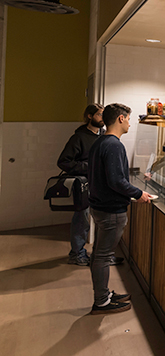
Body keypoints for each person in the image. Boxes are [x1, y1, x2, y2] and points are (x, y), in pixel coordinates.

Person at [88, 103, 153, 315]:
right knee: (103, 256)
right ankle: (101, 302)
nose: (130, 123)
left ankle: (104, 294)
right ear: (121, 119)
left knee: (100, 253)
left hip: (99, 207)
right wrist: (138, 194)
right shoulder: (114, 145)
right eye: (128, 119)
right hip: (111, 211)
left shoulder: (100, 142)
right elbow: (116, 181)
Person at [57, 104, 104, 266]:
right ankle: (76, 253)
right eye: (99, 115)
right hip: (83, 185)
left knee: (101, 220)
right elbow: (63, 162)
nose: (102, 119)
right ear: (90, 116)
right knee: (82, 220)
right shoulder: (78, 138)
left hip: (100, 185)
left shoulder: (103, 136)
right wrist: (88, 166)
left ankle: (100, 254)